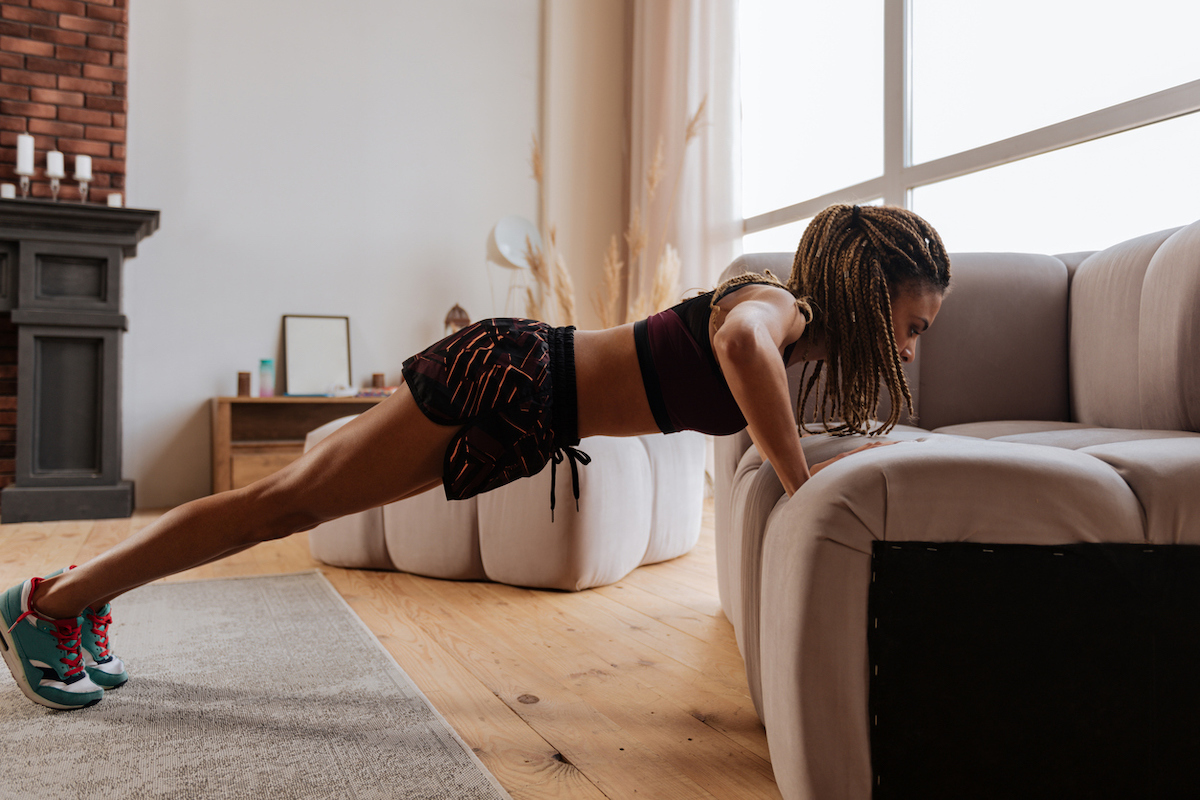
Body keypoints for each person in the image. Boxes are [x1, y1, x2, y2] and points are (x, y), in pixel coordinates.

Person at [0, 203, 950, 710]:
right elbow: (739, 349)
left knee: (294, 506)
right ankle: (48, 602)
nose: (910, 347)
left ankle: (85, 591)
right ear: (868, 291)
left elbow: (755, 379)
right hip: (510, 372)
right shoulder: (778, 309)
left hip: (528, 406)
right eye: (910, 324)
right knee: (281, 505)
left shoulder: (801, 338)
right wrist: (798, 481)